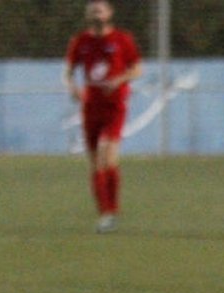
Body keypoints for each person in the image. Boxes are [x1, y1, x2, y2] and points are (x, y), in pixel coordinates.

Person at [64, 0, 142, 234]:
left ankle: (111, 212)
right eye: (92, 8)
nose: (96, 11)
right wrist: (73, 88)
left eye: (101, 7)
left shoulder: (122, 39)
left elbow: (137, 68)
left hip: (114, 108)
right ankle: (105, 213)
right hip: (91, 109)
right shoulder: (80, 41)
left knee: (106, 154)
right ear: (88, 14)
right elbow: (68, 72)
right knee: (97, 163)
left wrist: (119, 80)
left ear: (110, 13)